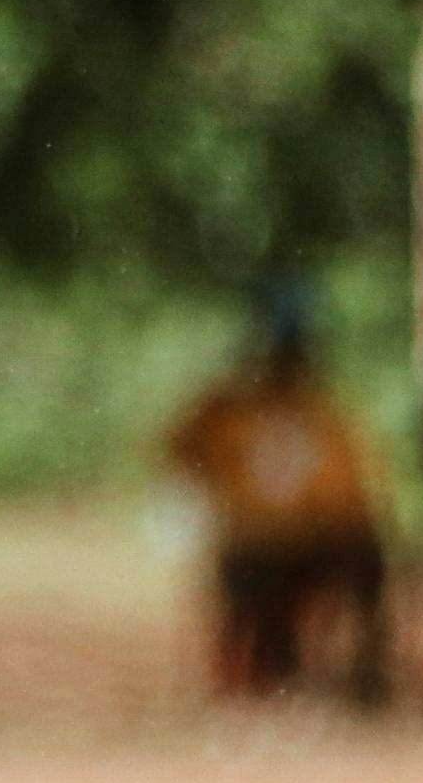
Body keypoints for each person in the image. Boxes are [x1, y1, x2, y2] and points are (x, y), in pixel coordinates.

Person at [164, 280, 388, 699]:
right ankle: (256, 678)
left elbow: (350, 500)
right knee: (265, 619)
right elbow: (181, 456)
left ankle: (361, 678)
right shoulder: (229, 408)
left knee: (364, 560)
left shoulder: (320, 411)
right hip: (252, 550)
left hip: (300, 548)